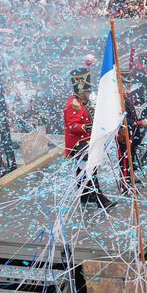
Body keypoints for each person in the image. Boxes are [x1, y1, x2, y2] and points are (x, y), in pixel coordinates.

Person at [63, 68, 113, 209]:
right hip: (79, 144)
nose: (89, 93)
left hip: (88, 142)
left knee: (84, 172)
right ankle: (99, 199)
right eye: (87, 91)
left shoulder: (82, 103)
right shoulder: (73, 104)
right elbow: (72, 125)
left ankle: (85, 198)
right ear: (81, 91)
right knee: (89, 171)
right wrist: (88, 127)